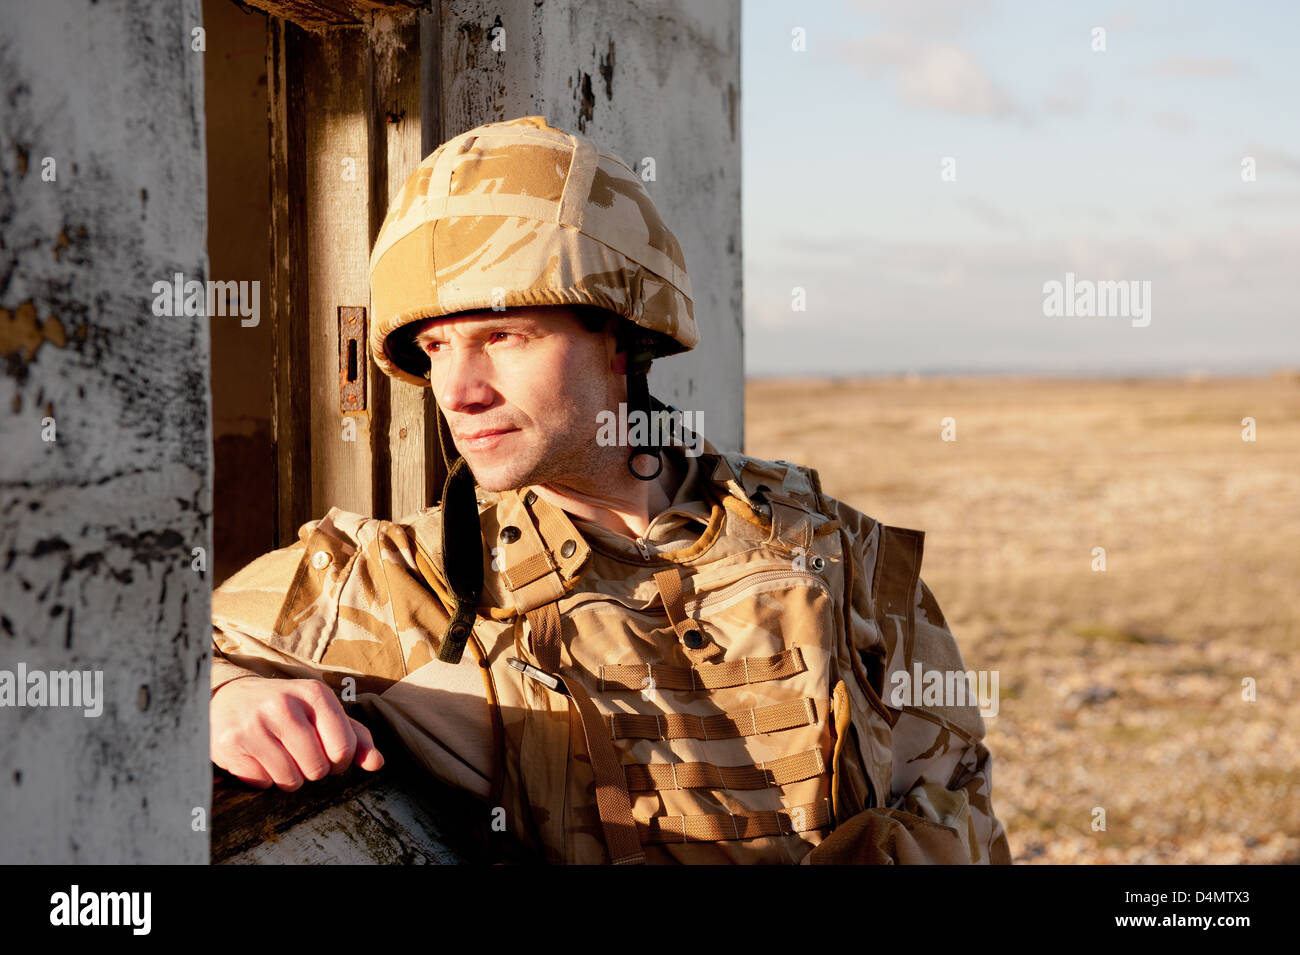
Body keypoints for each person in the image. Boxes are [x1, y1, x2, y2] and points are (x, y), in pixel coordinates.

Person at [210, 115, 1012, 865]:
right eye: (435, 346)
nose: (457, 390)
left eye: (502, 336)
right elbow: (142, 659)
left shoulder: (837, 550)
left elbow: (957, 791)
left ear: (622, 338)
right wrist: (226, 697)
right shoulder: (402, 581)